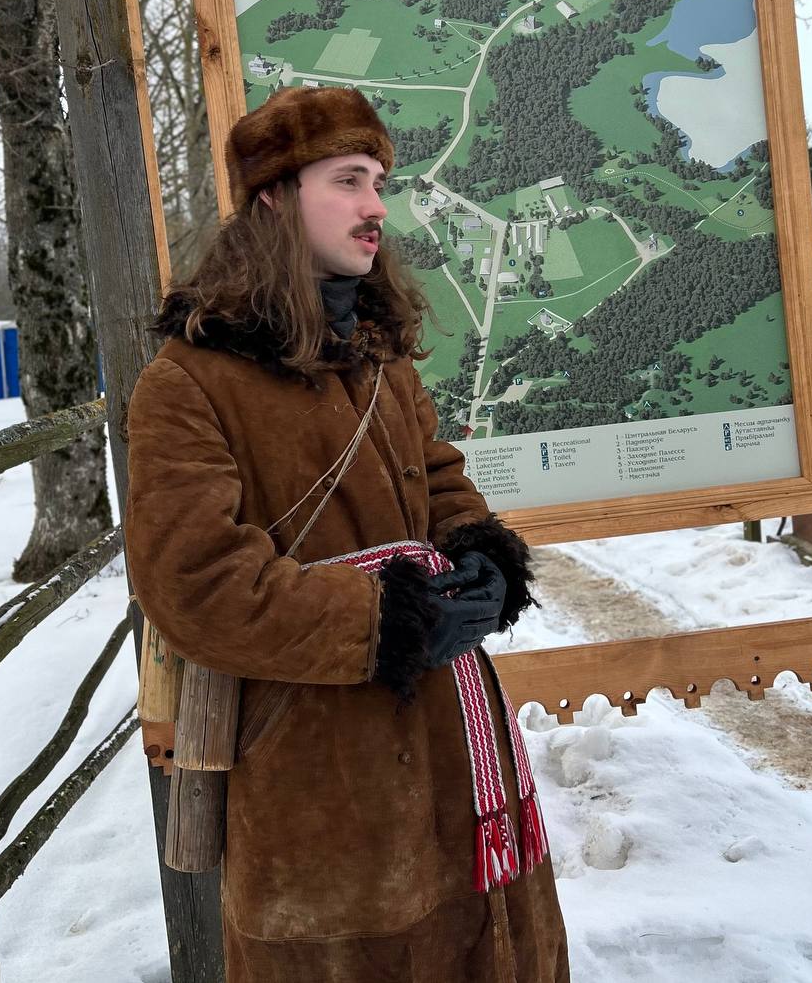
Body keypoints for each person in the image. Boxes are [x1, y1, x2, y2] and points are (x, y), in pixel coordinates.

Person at [125, 85, 570, 981]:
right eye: (348, 180)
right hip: (317, 777)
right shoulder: (188, 382)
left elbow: (436, 475)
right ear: (273, 199)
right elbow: (196, 583)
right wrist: (385, 619)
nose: (376, 207)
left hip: (455, 750)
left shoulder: (376, 349)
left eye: (379, 183)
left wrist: (481, 555)